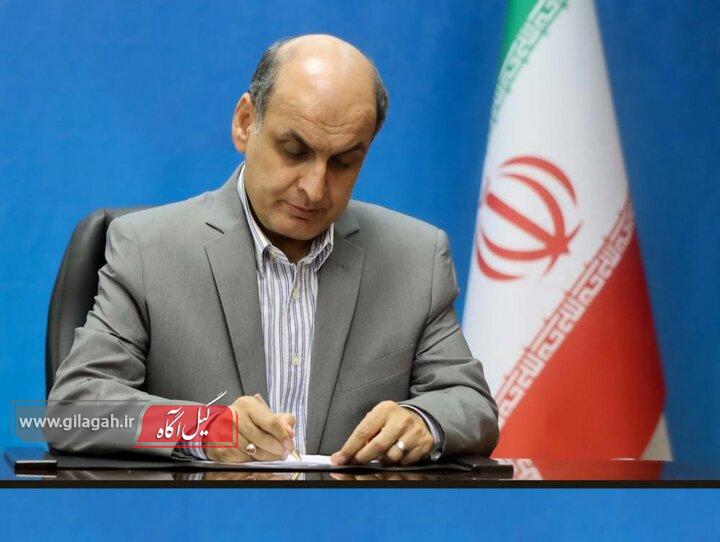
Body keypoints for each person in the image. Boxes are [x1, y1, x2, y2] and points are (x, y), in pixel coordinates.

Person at [48, 34, 498, 465]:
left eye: (344, 162)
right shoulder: (146, 249)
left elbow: (470, 403)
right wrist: (202, 429)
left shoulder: (416, 259)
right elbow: (72, 410)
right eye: (294, 151)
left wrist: (423, 422)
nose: (315, 188)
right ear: (246, 122)